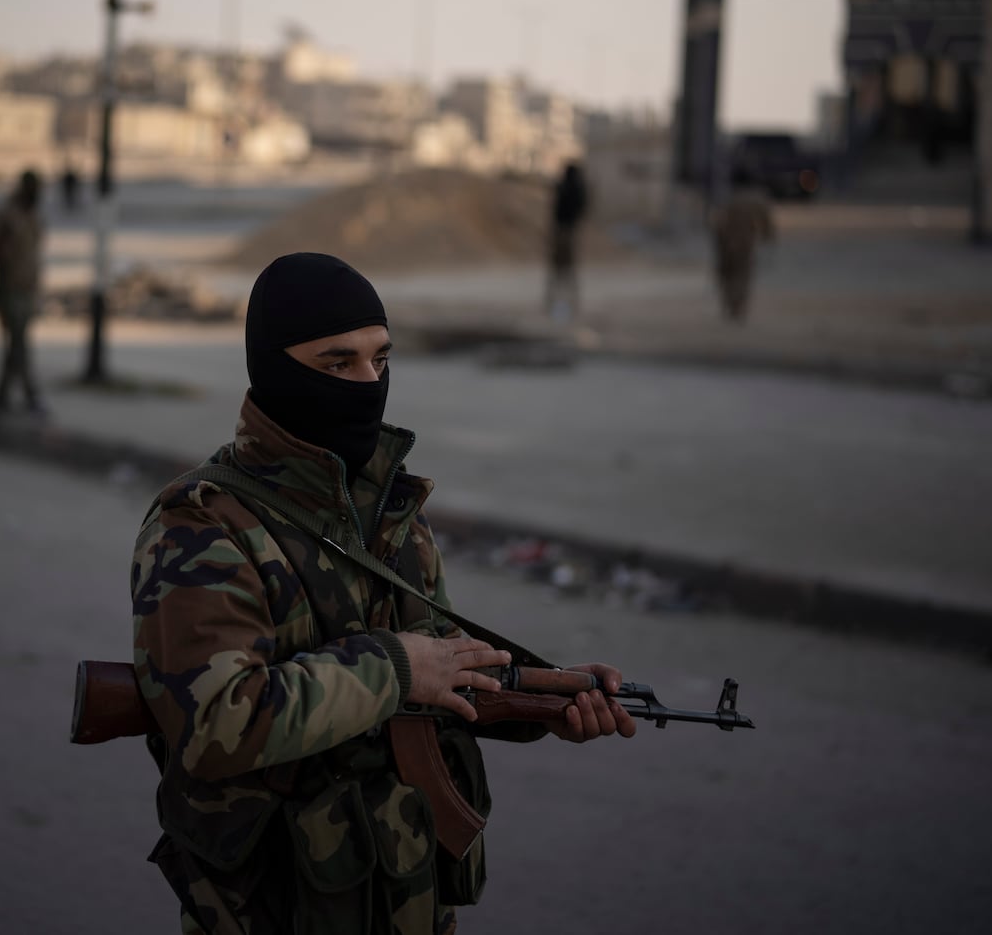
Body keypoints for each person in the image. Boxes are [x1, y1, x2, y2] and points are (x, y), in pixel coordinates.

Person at [130, 252, 635, 935]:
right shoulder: (204, 524)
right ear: (275, 369)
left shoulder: (392, 511)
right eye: (338, 363)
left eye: (380, 359)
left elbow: (438, 678)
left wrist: (541, 700)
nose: (369, 383)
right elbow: (218, 722)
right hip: (273, 909)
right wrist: (395, 668)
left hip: (407, 897)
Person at [0, 170, 46, 415]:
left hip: (28, 290)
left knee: (16, 347)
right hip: (10, 290)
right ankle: (30, 396)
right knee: (19, 346)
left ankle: (2, 398)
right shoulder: (6, 215)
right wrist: (3, 260)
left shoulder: (33, 217)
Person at [709, 180, 775, 323]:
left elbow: (715, 221)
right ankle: (738, 305)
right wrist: (768, 237)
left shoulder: (725, 196)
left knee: (727, 274)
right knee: (742, 274)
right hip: (744, 242)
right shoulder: (755, 200)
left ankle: (731, 303)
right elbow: (766, 221)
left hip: (725, 241)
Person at [547, 161, 589, 323]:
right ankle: (563, 302)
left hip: (566, 230)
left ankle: (563, 301)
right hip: (566, 230)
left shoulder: (571, 188)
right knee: (563, 269)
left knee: (563, 269)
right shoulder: (574, 187)